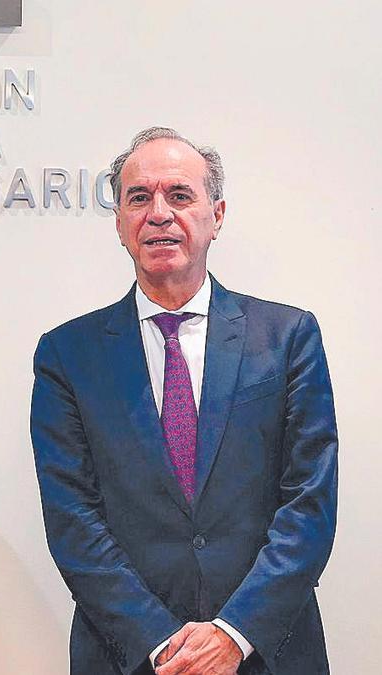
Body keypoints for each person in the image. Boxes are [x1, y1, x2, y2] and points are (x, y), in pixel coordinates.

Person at [30, 127, 338, 675]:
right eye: (139, 198)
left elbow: (309, 503)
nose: (159, 214)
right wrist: (162, 643)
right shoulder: (67, 355)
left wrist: (233, 635)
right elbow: (73, 519)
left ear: (216, 215)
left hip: (266, 651)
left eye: (179, 195)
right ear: (120, 223)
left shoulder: (288, 337)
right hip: (129, 655)